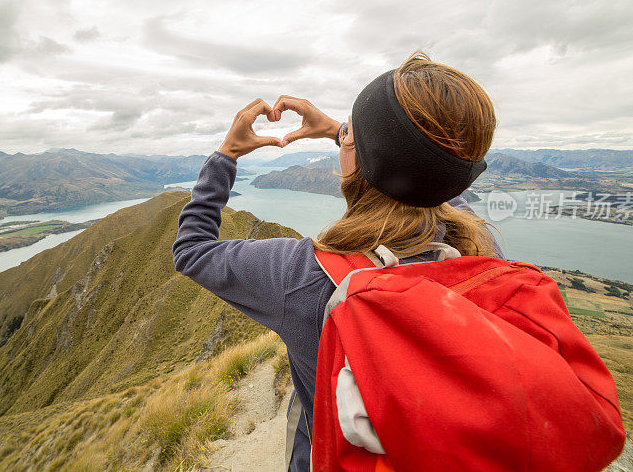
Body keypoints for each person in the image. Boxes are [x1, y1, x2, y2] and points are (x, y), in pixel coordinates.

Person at [172, 52, 508, 471]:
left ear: (364, 158)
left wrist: (226, 154)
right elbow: (432, 175)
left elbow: (191, 249)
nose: (345, 137)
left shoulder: (301, 276)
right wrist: (341, 131)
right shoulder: (479, 250)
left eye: (354, 134)